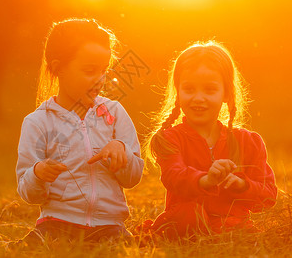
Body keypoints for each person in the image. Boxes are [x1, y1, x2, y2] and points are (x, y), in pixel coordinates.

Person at [16, 18, 144, 244]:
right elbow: (28, 193)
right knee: (32, 248)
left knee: (124, 247)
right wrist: (38, 173)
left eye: (104, 70)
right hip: (57, 225)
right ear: (58, 69)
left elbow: (133, 177)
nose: (100, 80)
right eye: (89, 71)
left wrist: (121, 152)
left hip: (109, 227)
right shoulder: (37, 122)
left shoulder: (114, 114)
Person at [140, 41, 277, 240]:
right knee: (190, 214)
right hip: (185, 225)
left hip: (233, 227)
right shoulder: (170, 138)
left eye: (209, 90)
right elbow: (174, 176)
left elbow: (267, 197)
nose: (198, 98)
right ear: (178, 93)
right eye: (189, 89)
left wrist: (242, 185)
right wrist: (205, 180)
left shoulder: (248, 141)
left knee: (236, 226)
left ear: (226, 93)